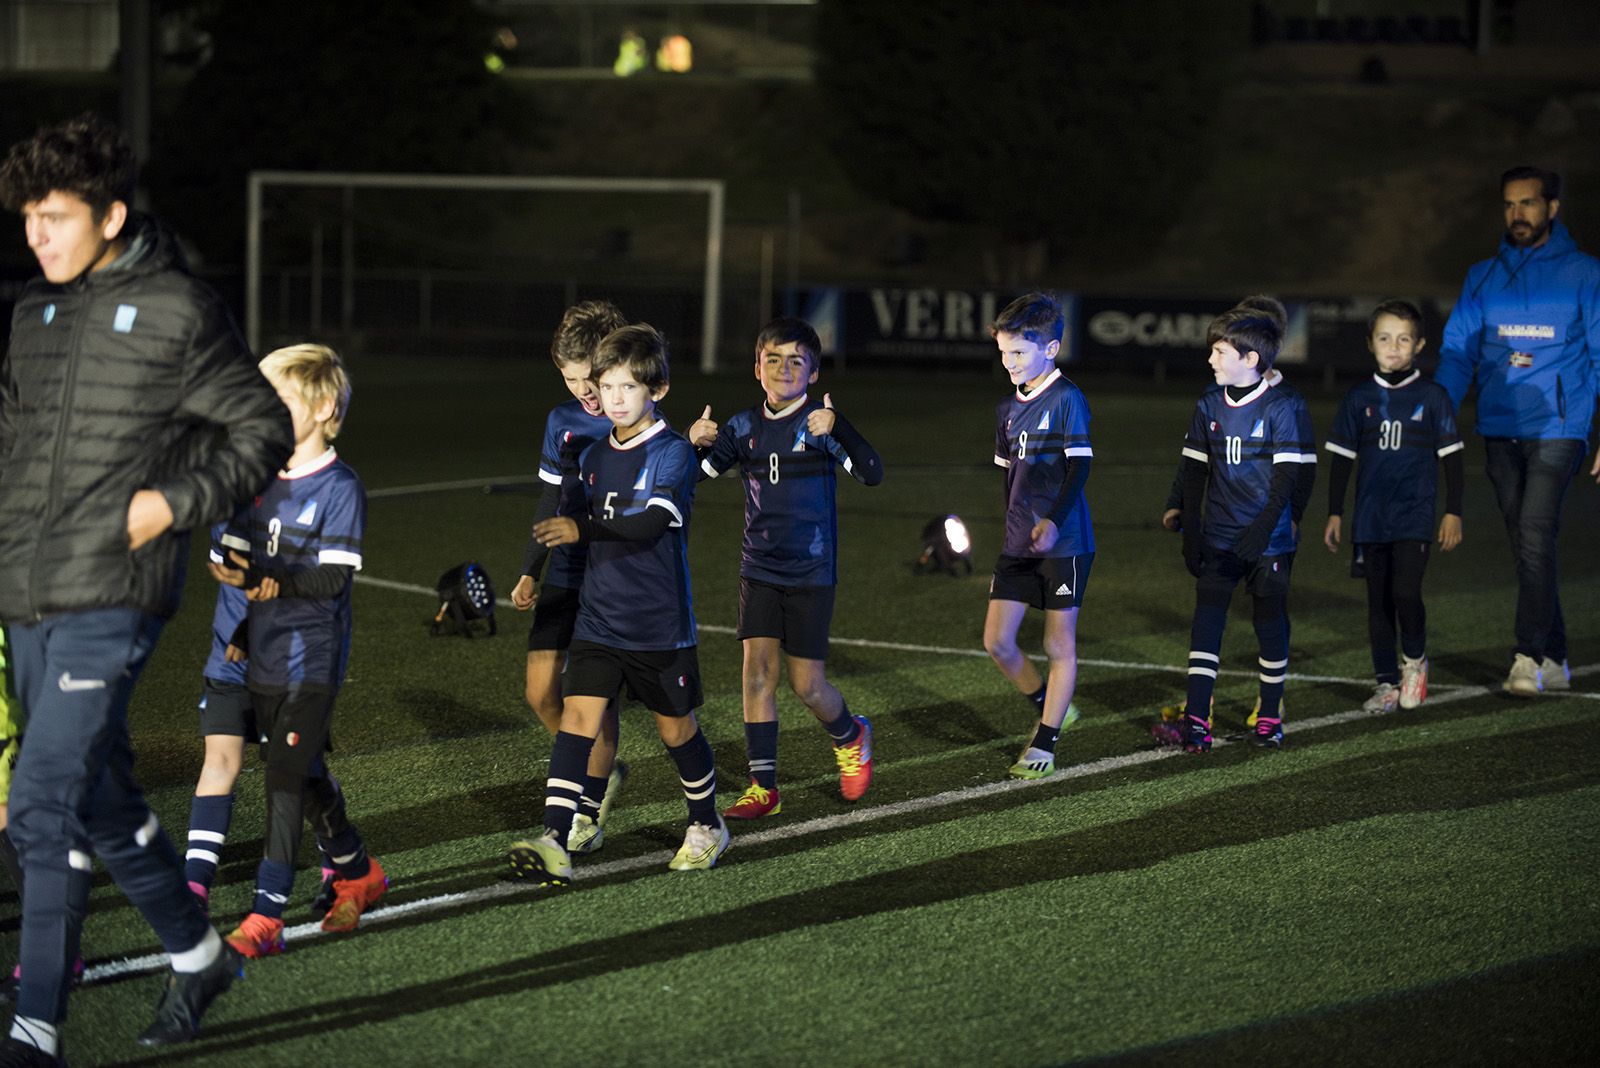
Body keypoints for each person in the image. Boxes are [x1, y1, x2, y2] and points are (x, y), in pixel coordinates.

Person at [0, 114, 293, 1059]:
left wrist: (171, 504)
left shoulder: (175, 308)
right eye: (28, 218)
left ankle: (35, 1024)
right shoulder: (32, 314)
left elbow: (261, 429)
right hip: (27, 597)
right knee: (97, 800)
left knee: (40, 800)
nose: (37, 234)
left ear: (111, 213)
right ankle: (200, 955)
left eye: (55, 215)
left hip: (115, 593)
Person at [508, 324, 728, 885]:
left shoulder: (674, 452)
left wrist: (581, 529)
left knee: (677, 731)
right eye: (607, 388)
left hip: (657, 625)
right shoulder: (593, 455)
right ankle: (556, 836)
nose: (615, 399)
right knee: (578, 721)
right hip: (599, 619)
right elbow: (563, 506)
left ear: (658, 390)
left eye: (629, 387)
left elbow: (652, 521)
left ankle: (707, 824)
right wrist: (539, 560)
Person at [208, 344, 387, 958]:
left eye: (280, 400)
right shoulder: (262, 482)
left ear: (323, 407)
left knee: (283, 780)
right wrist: (238, 619)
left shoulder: (340, 486)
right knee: (303, 773)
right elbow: (245, 563)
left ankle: (266, 915)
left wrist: (272, 581)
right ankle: (360, 871)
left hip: (313, 658)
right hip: (263, 655)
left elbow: (332, 578)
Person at [688, 317, 884, 819]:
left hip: (811, 571)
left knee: (807, 685)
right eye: (773, 359)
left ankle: (850, 734)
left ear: (813, 373)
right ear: (757, 368)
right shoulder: (741, 427)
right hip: (759, 566)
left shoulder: (819, 425)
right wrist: (693, 443)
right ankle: (764, 788)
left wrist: (841, 427)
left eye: (796, 361)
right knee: (756, 673)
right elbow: (689, 480)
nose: (783, 368)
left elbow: (871, 474)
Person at [1433, 166, 1600, 696]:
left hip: (1560, 426)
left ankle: (1526, 656)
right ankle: (1555, 653)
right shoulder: (1482, 275)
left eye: (1528, 204)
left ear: (1552, 208)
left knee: (1533, 532)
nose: (1517, 215)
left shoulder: (1585, 273)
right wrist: (1434, 412)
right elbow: (1458, 351)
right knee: (1527, 541)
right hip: (1500, 428)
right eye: (1509, 205)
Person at [1159, 294, 1315, 730]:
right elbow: (1193, 469)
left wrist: (1270, 528)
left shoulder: (1284, 406)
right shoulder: (1209, 404)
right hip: (1219, 536)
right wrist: (1189, 525)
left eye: (1219, 351)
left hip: (1269, 541)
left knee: (1269, 619)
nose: (1210, 358)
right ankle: (1196, 716)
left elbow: (1291, 478)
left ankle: (1269, 713)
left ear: (1252, 357)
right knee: (1207, 617)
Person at [508, 302, 627, 857]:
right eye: (569, 378)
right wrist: (531, 568)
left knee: (593, 700)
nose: (582, 390)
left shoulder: (634, 416)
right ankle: (595, 771)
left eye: (588, 377)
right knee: (539, 692)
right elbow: (551, 495)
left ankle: (586, 806)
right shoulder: (564, 421)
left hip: (617, 575)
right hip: (566, 570)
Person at [182, 524, 340, 913]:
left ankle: (339, 868)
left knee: (299, 770)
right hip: (229, 661)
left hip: (289, 664)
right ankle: (194, 887)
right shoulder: (227, 512)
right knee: (218, 762)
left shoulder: (297, 507)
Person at [1324, 301, 1465, 712]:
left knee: (1406, 592)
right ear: (1371, 343)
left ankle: (1415, 662)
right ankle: (1385, 683)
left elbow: (1453, 460)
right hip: (1370, 518)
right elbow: (1341, 459)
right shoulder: (1358, 397)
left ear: (1419, 344)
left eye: (1404, 339)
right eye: (1385, 338)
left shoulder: (1433, 396)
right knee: (1378, 602)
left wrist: (1452, 511)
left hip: (1415, 514)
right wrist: (1335, 512)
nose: (1394, 347)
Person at [983, 293, 1094, 780]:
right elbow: (1009, 479)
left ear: (1050, 349)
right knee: (998, 642)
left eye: (1019, 353)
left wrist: (1052, 520)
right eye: (1004, 353)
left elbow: (1080, 468)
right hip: (1017, 544)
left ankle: (1045, 743)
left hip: (1065, 543)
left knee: (1057, 644)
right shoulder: (1007, 408)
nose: (1009, 363)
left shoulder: (1068, 398)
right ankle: (1051, 704)